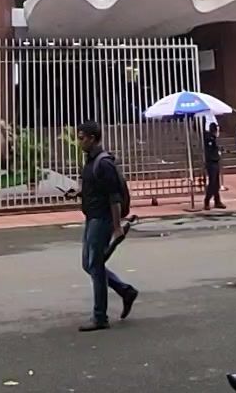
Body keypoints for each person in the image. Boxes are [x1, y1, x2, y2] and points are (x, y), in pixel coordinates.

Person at [74, 120, 138, 331]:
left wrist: (117, 226)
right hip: (92, 217)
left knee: (95, 265)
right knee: (89, 264)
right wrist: (80, 193)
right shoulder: (92, 161)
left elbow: (114, 197)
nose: (79, 141)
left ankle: (100, 316)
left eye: (82, 137)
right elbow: (96, 188)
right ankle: (124, 290)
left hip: (102, 219)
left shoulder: (104, 163)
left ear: (92, 138)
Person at [202, 119, 225, 210]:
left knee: (216, 183)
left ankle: (217, 200)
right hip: (211, 163)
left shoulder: (213, 138)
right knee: (212, 183)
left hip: (215, 161)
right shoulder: (209, 138)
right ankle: (207, 200)